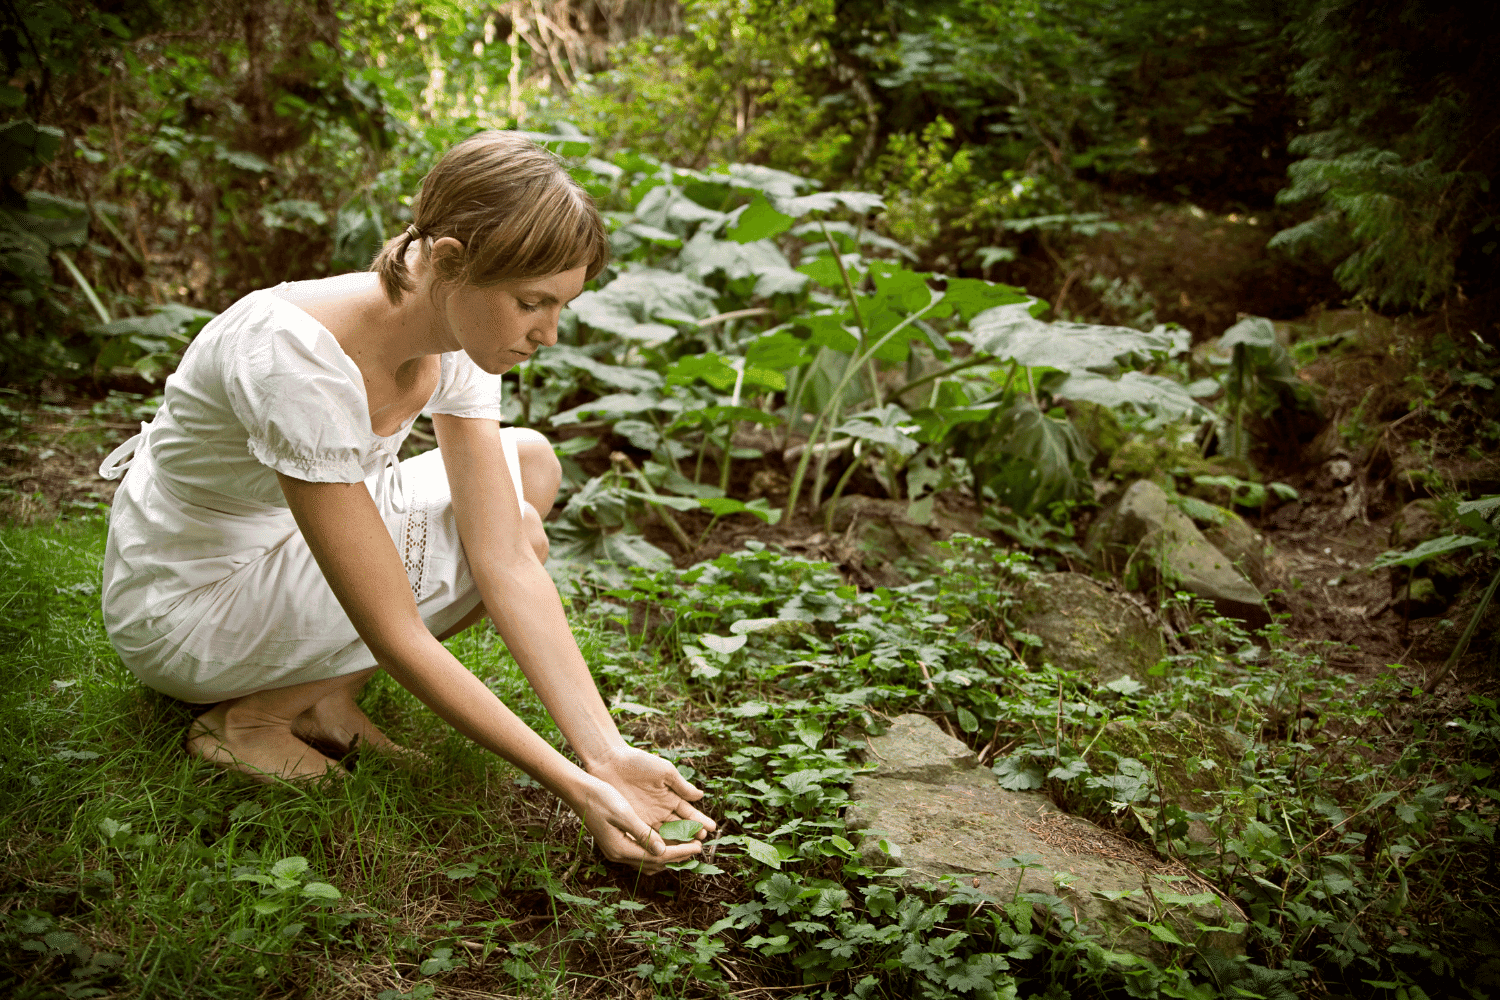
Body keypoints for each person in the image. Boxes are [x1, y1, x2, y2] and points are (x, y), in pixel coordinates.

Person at [97, 131, 713, 873]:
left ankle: (322, 697)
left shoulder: (450, 331)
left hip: (277, 550)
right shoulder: (294, 357)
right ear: (450, 260)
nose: (548, 334)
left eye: (561, 305)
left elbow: (504, 562)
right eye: (531, 303)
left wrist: (606, 752)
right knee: (506, 523)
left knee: (528, 465)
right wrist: (573, 786)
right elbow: (396, 626)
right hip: (191, 608)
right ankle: (250, 719)